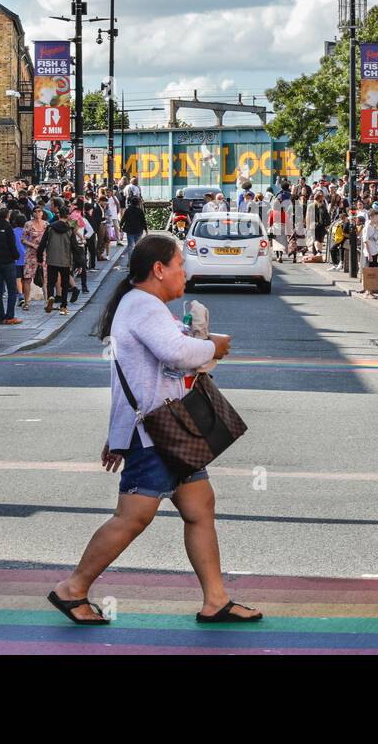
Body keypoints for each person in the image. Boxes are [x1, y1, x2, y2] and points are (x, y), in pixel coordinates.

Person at [48, 234, 261, 624]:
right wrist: (213, 346)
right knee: (133, 517)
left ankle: (215, 599)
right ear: (159, 269)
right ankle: (72, 588)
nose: (185, 273)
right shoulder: (144, 306)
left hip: (170, 430)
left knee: (199, 508)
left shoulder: (141, 305)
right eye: (180, 265)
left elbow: (136, 375)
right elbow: (176, 354)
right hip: (157, 434)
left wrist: (117, 434)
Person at [0, 206, 21, 326]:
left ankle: (1, 316)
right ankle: (10, 316)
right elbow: (12, 245)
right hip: (8, 262)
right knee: (12, 290)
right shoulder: (8, 228)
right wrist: (16, 256)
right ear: (7, 216)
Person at [43, 202, 75, 315]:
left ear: (58, 214)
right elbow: (75, 246)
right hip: (65, 260)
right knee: (65, 284)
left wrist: (39, 255)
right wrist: (80, 262)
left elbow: (43, 242)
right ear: (67, 216)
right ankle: (63, 306)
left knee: (51, 281)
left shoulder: (50, 227)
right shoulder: (70, 229)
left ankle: (51, 296)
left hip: (52, 258)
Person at [20, 206, 46, 310]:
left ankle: (47, 301)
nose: (38, 213)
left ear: (42, 213)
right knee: (27, 278)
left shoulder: (46, 225)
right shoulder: (28, 224)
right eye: (35, 211)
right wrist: (32, 244)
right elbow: (22, 239)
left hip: (43, 254)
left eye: (40, 211)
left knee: (44, 277)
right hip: (31, 254)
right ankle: (26, 302)